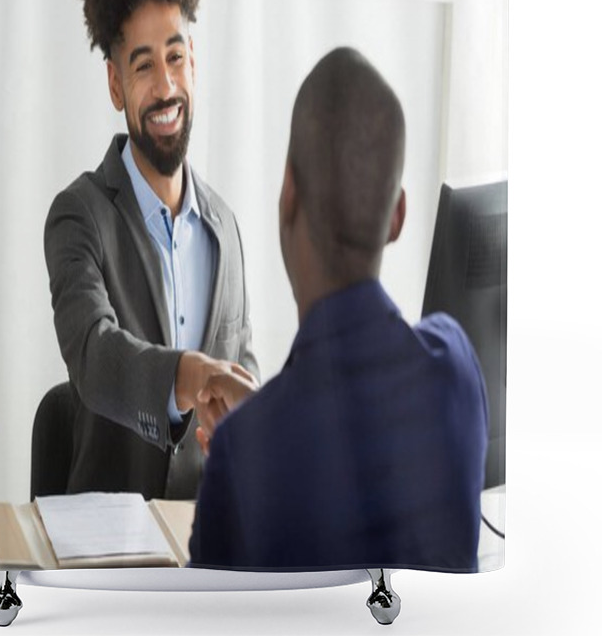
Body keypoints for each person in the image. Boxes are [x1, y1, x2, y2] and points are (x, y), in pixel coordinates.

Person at [189, 47, 488, 571]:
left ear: (288, 196)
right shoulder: (457, 368)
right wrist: (262, 418)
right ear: (397, 217)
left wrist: (259, 433)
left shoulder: (244, 458)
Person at [44, 0, 258, 499]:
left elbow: (241, 362)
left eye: (175, 56)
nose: (165, 86)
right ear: (115, 85)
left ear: (194, 60)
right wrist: (193, 375)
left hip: (208, 545)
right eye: (143, 66)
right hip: (108, 552)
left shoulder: (225, 228)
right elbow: (94, 353)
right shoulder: (79, 215)